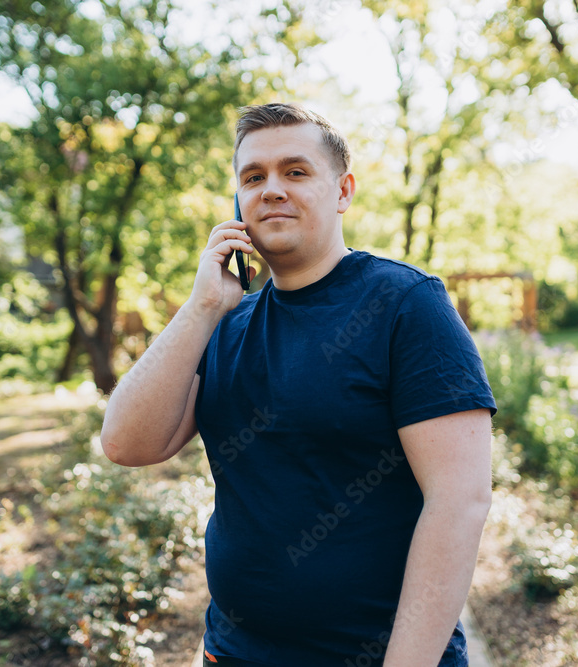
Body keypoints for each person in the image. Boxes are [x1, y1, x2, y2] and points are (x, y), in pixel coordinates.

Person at [100, 103, 496, 667]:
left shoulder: (406, 304)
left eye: (295, 171)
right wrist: (202, 306)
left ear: (343, 191)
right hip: (233, 654)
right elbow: (126, 444)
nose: (271, 189)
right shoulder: (221, 323)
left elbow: (459, 501)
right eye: (252, 177)